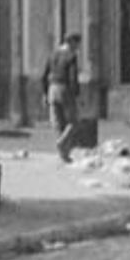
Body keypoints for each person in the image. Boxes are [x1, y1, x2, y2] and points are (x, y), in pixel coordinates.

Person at [45, 31, 82, 163]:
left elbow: (45, 74)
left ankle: (64, 155)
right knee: (73, 122)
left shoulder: (53, 54)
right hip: (64, 88)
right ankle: (61, 143)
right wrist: (76, 93)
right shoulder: (71, 56)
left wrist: (45, 92)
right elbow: (72, 77)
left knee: (59, 123)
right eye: (77, 44)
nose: (78, 47)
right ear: (72, 42)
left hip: (52, 88)